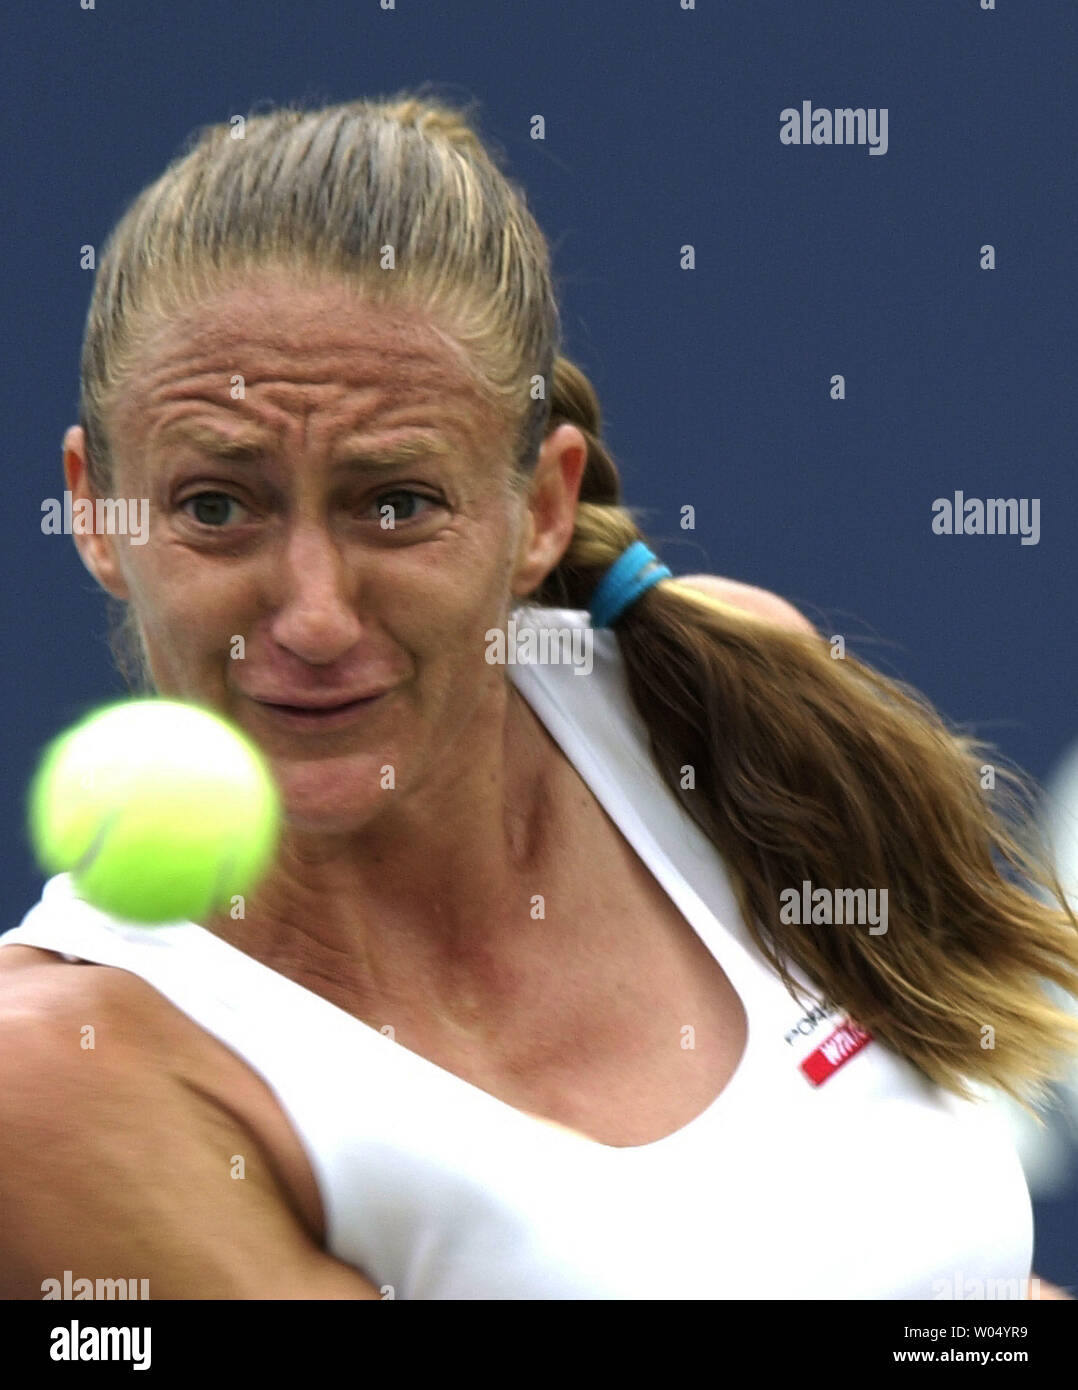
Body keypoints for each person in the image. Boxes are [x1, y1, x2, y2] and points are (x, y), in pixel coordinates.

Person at [2, 92, 1076, 1300]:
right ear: (95, 510)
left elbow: (966, 1296)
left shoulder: (724, 713)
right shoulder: (53, 1076)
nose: (311, 615)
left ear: (542, 508)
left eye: (395, 502)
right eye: (216, 507)